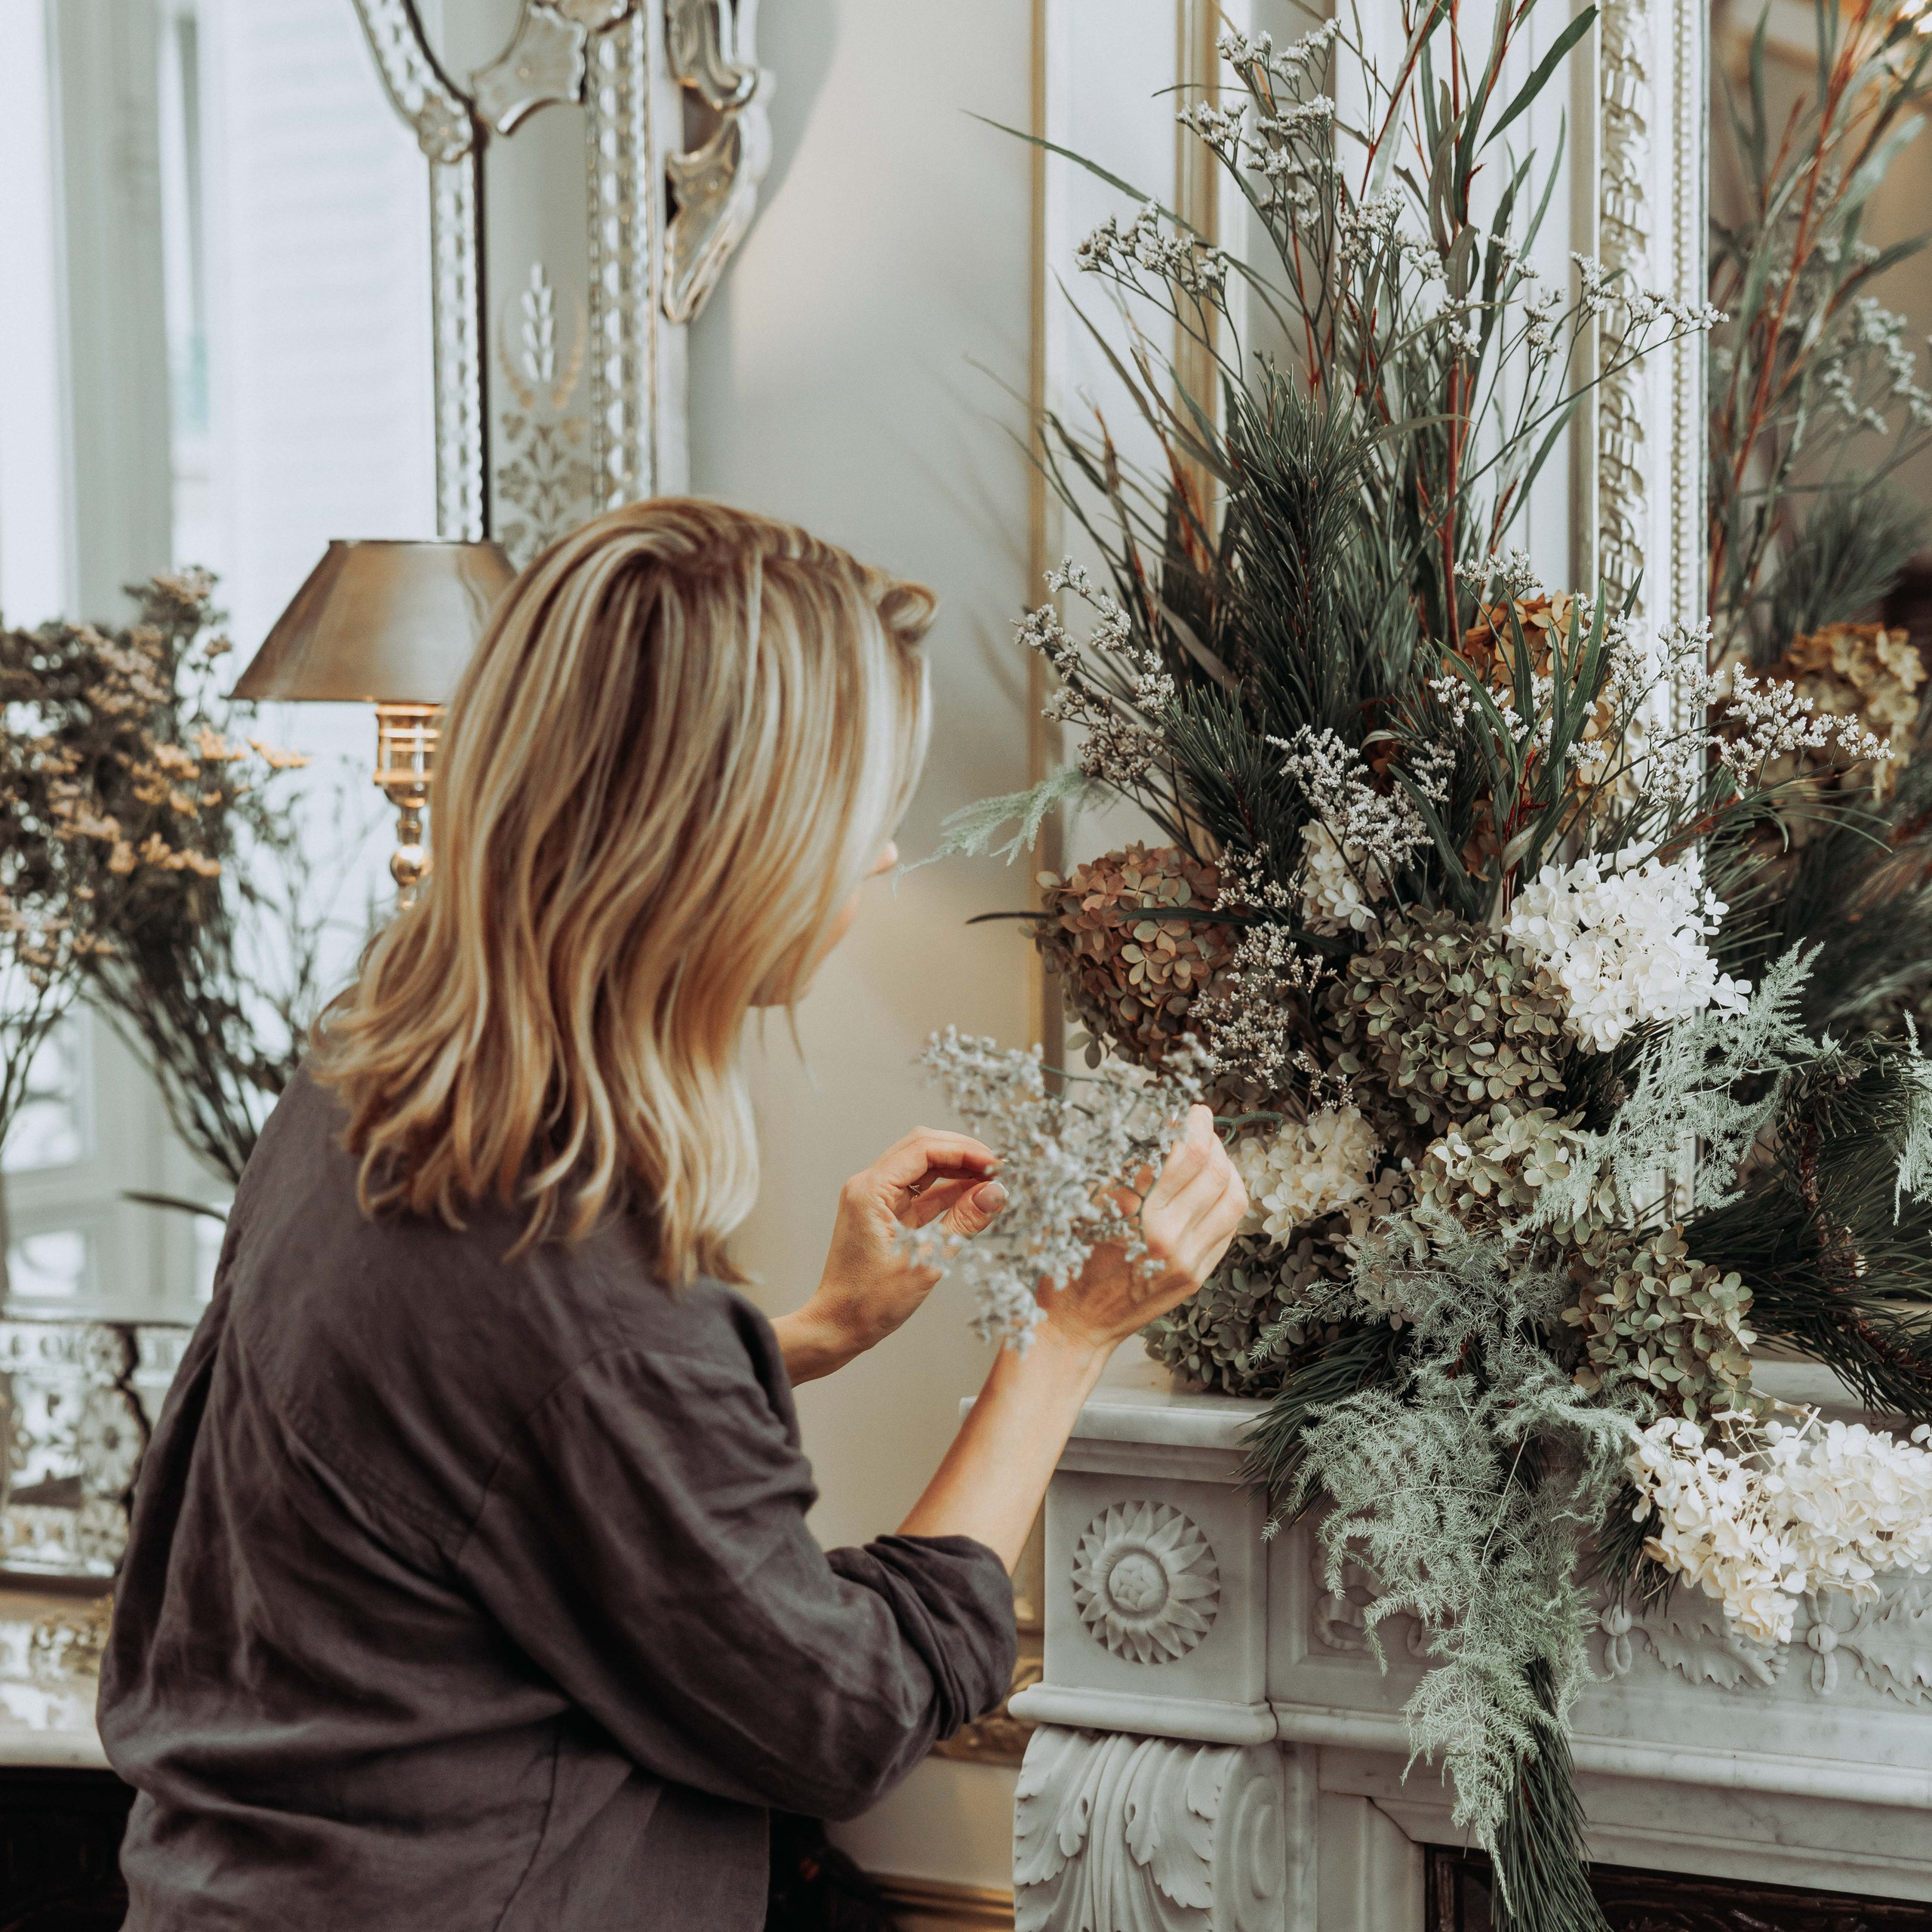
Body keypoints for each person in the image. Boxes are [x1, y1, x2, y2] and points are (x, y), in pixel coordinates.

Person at [97, 500, 1247, 1930]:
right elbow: (845, 1714)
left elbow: (486, 1449)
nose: (882, 859)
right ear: (724, 842)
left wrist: (811, 1333)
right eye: (857, 814)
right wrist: (1066, 1339)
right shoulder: (565, 1268)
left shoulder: (364, 1091)